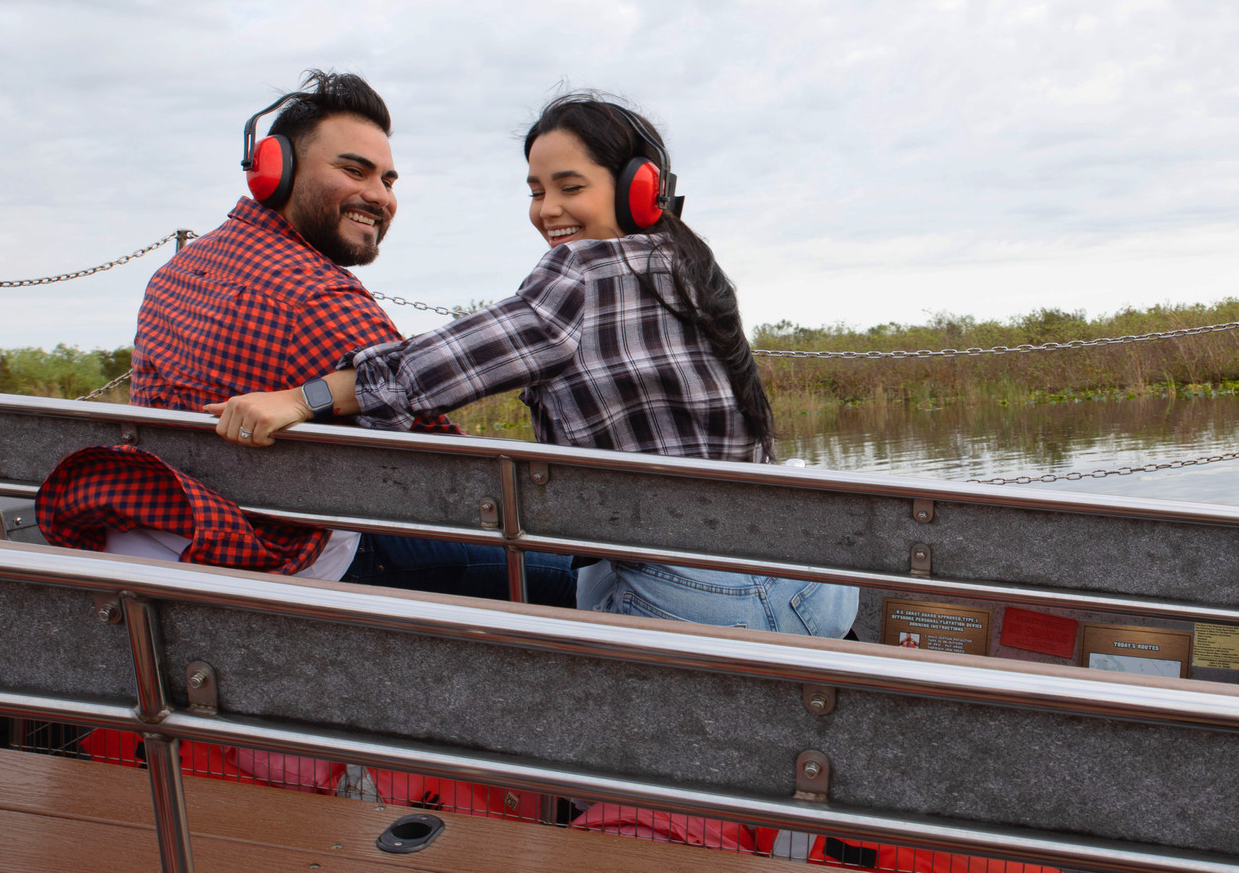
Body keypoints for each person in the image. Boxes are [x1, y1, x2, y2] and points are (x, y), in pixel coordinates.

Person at [207, 91, 858, 639]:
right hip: (812, 585)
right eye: (537, 190)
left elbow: (432, 371)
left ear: (638, 189)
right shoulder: (687, 265)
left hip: (699, 597)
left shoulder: (579, 272)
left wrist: (303, 400)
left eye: (570, 187)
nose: (547, 210)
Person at [115, 69, 574, 605]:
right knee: (572, 568)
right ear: (276, 170)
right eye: (354, 170)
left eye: (388, 180)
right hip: (278, 555)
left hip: (159, 530)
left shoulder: (179, 269)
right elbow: (452, 481)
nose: (379, 196)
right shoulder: (318, 298)